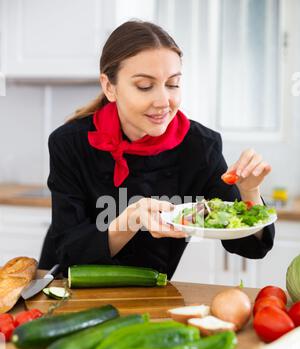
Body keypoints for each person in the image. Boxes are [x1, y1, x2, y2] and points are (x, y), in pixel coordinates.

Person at [38, 20, 275, 278]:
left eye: (173, 84)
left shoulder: (199, 147)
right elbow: (67, 250)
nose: (164, 101)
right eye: (144, 86)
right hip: (70, 289)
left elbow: (250, 246)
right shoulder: (70, 143)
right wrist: (130, 220)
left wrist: (249, 191)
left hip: (150, 294)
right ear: (109, 87)